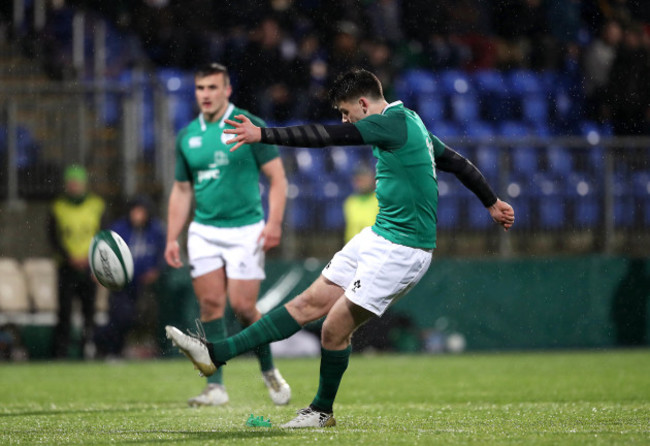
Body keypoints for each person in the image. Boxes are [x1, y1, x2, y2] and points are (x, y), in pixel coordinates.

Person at [165, 69, 514, 427]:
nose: (345, 120)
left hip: (403, 250)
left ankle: (321, 411)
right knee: (306, 304)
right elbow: (456, 161)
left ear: (364, 103)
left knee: (333, 327)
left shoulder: (391, 123)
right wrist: (491, 201)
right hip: (377, 237)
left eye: (347, 112)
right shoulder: (410, 121)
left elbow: (325, 136)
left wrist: (263, 134)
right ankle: (215, 354)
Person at [164, 62, 290, 407]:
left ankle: (268, 369)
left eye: (212, 87)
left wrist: (274, 222)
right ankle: (216, 387)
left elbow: (277, 178)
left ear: (227, 89)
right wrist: (172, 236)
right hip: (203, 230)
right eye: (200, 88)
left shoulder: (247, 125)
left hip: (246, 229)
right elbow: (181, 189)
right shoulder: (188, 135)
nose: (205, 94)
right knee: (210, 305)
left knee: (244, 307)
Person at [95, 195, 165, 358]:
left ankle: (154, 349)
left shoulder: (156, 230)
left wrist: (156, 269)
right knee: (120, 316)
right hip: (121, 283)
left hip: (145, 285)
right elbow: (104, 251)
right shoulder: (119, 229)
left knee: (146, 317)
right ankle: (111, 350)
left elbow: (161, 253)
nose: (138, 215)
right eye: (136, 211)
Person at [48, 164, 106, 359]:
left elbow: (103, 236)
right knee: (64, 311)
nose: (74, 186)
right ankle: (61, 353)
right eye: (71, 183)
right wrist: (69, 257)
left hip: (90, 267)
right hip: (66, 267)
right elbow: (53, 237)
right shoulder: (58, 206)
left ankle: (87, 351)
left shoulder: (97, 205)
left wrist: (92, 260)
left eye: (77, 182)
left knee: (89, 312)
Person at [343, 165, 378, 244]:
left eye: (363, 179)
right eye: (358, 180)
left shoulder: (380, 200)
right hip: (353, 250)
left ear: (372, 179)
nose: (361, 183)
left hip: (374, 248)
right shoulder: (350, 202)